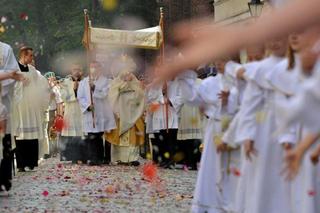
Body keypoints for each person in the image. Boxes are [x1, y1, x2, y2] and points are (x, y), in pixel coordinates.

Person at [235, 38, 292, 213]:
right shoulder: (260, 69)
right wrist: (247, 134)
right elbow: (249, 105)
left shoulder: (297, 65)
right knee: (263, 175)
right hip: (266, 128)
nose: (275, 42)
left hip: (294, 124)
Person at [11, 46, 50, 172]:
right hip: (20, 106)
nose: (32, 58)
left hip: (32, 106)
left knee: (32, 136)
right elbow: (8, 86)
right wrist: (20, 83)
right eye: (31, 55)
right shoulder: (13, 70)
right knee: (21, 135)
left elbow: (42, 85)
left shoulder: (33, 71)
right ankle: (21, 164)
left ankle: (32, 162)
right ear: (23, 55)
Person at [105, 55, 145, 166]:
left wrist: (135, 89)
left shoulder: (135, 81)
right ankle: (118, 157)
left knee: (133, 136)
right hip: (120, 112)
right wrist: (123, 85)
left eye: (129, 72)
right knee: (118, 135)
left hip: (132, 112)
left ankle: (132, 158)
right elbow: (112, 96)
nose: (127, 75)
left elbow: (140, 95)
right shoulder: (116, 82)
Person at [77, 61, 116, 165]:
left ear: (100, 69)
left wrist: (94, 88)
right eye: (92, 67)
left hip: (101, 113)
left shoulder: (106, 81)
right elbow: (80, 97)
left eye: (96, 67)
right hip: (90, 113)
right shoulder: (84, 82)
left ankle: (101, 157)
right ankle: (93, 158)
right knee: (91, 136)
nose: (94, 69)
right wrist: (87, 106)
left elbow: (104, 94)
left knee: (99, 135)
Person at [0, 41, 24, 192]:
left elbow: (13, 74)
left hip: (2, 101)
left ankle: (2, 181)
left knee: (3, 141)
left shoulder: (5, 49)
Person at [59, 64, 84, 163]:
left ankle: (82, 157)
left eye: (78, 69)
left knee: (81, 134)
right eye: (74, 69)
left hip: (81, 111)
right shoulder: (65, 82)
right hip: (71, 110)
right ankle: (73, 157)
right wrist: (74, 90)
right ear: (71, 70)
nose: (76, 71)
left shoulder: (85, 82)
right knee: (71, 135)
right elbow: (63, 96)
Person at [44, 72, 63, 158]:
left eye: (53, 78)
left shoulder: (55, 88)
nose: (52, 80)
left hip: (52, 111)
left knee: (52, 132)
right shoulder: (44, 88)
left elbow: (59, 101)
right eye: (50, 78)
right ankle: (47, 150)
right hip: (46, 111)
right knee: (46, 132)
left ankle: (53, 150)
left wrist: (59, 114)